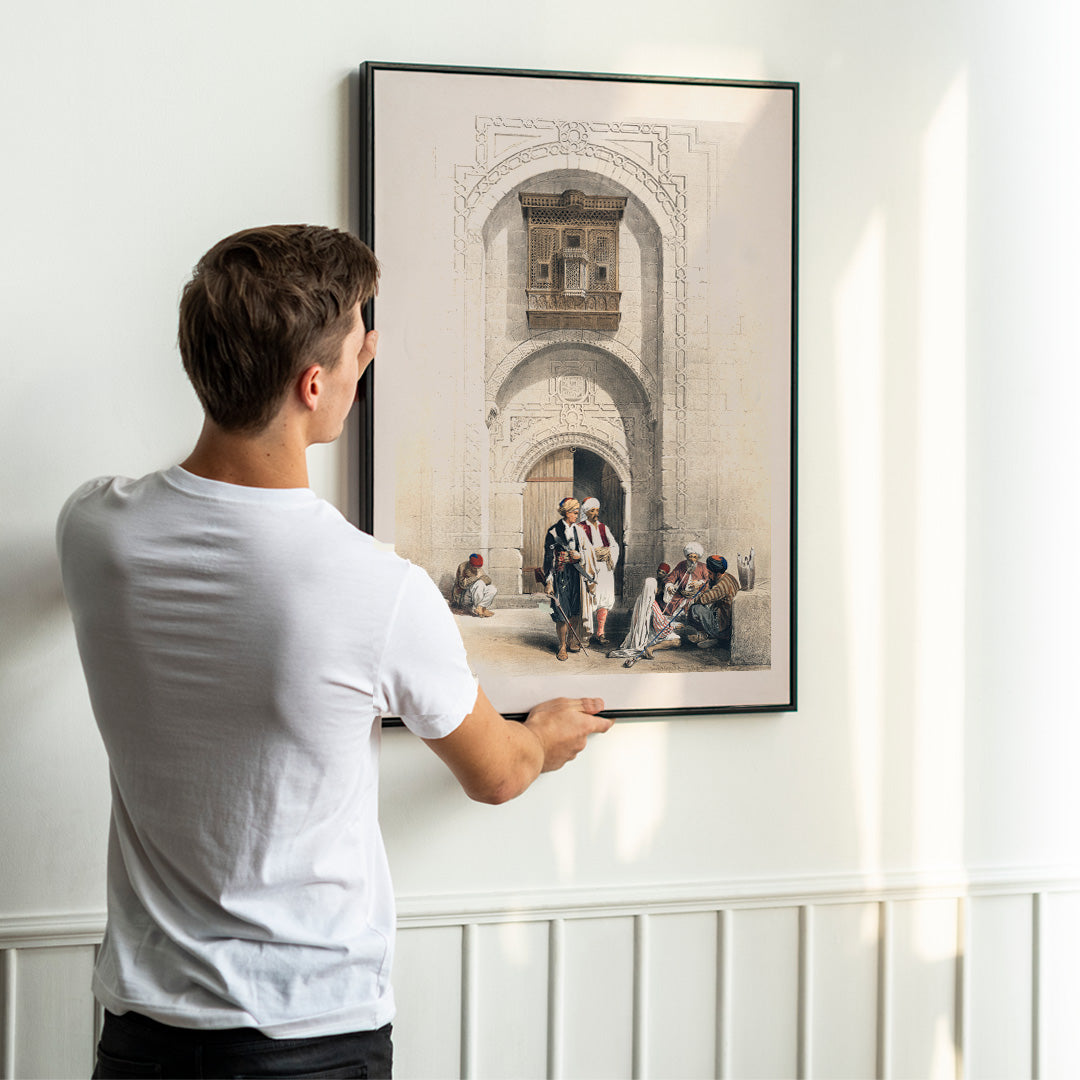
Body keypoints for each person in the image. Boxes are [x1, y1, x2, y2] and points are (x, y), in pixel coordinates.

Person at [56, 225, 611, 1080]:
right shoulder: (374, 589)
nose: (371, 352)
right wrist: (544, 732)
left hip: (142, 1035)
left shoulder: (94, 532)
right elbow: (497, 773)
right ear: (314, 384)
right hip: (310, 1036)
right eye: (361, 341)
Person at [542, 496, 592, 661]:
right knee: (561, 612)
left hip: (576, 575)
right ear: (566, 512)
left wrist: (579, 556)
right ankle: (562, 645)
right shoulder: (553, 532)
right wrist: (548, 581)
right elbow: (548, 559)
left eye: (577, 512)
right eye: (574, 512)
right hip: (560, 576)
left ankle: (571, 640)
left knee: (575, 611)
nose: (576, 515)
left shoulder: (579, 531)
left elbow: (588, 552)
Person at [578, 497, 620, 645]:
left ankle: (600, 633)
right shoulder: (579, 528)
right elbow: (578, 549)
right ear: (586, 512)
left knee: (604, 600)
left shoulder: (603, 527)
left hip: (604, 569)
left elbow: (614, 546)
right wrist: (592, 553)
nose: (596, 513)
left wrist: (607, 552)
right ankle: (585, 635)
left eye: (597, 510)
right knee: (589, 601)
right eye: (592, 510)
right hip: (589, 569)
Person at [687, 555, 741, 648]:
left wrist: (693, 598)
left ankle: (710, 636)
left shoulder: (722, 586)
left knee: (695, 608)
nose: (709, 575)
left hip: (722, 627)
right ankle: (711, 637)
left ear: (718, 573)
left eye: (710, 573)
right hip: (727, 622)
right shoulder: (729, 577)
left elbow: (704, 599)